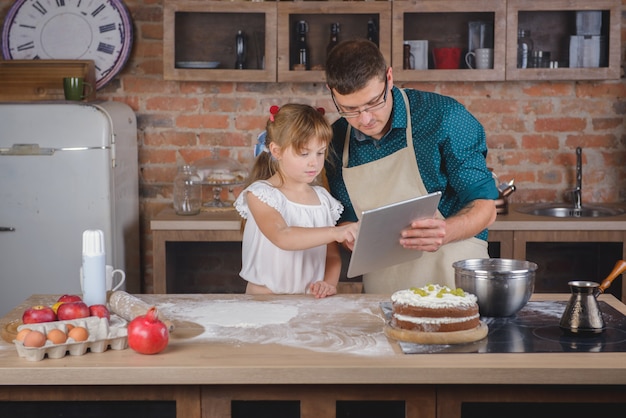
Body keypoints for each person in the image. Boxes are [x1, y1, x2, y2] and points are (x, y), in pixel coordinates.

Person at [324, 39, 499, 293]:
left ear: (389, 77)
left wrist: (444, 231)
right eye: (349, 109)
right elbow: (346, 219)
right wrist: (349, 237)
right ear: (332, 92)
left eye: (374, 103)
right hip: (384, 287)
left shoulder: (444, 117)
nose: (365, 119)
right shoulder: (336, 141)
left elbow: (486, 207)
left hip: (452, 274)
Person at [234, 104, 359, 298]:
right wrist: (336, 232)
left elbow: (332, 256)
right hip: (263, 301)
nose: (314, 162)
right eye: (304, 153)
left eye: (320, 152)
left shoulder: (323, 199)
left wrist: (328, 283)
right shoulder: (260, 194)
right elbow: (282, 236)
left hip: (309, 302)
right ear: (277, 151)